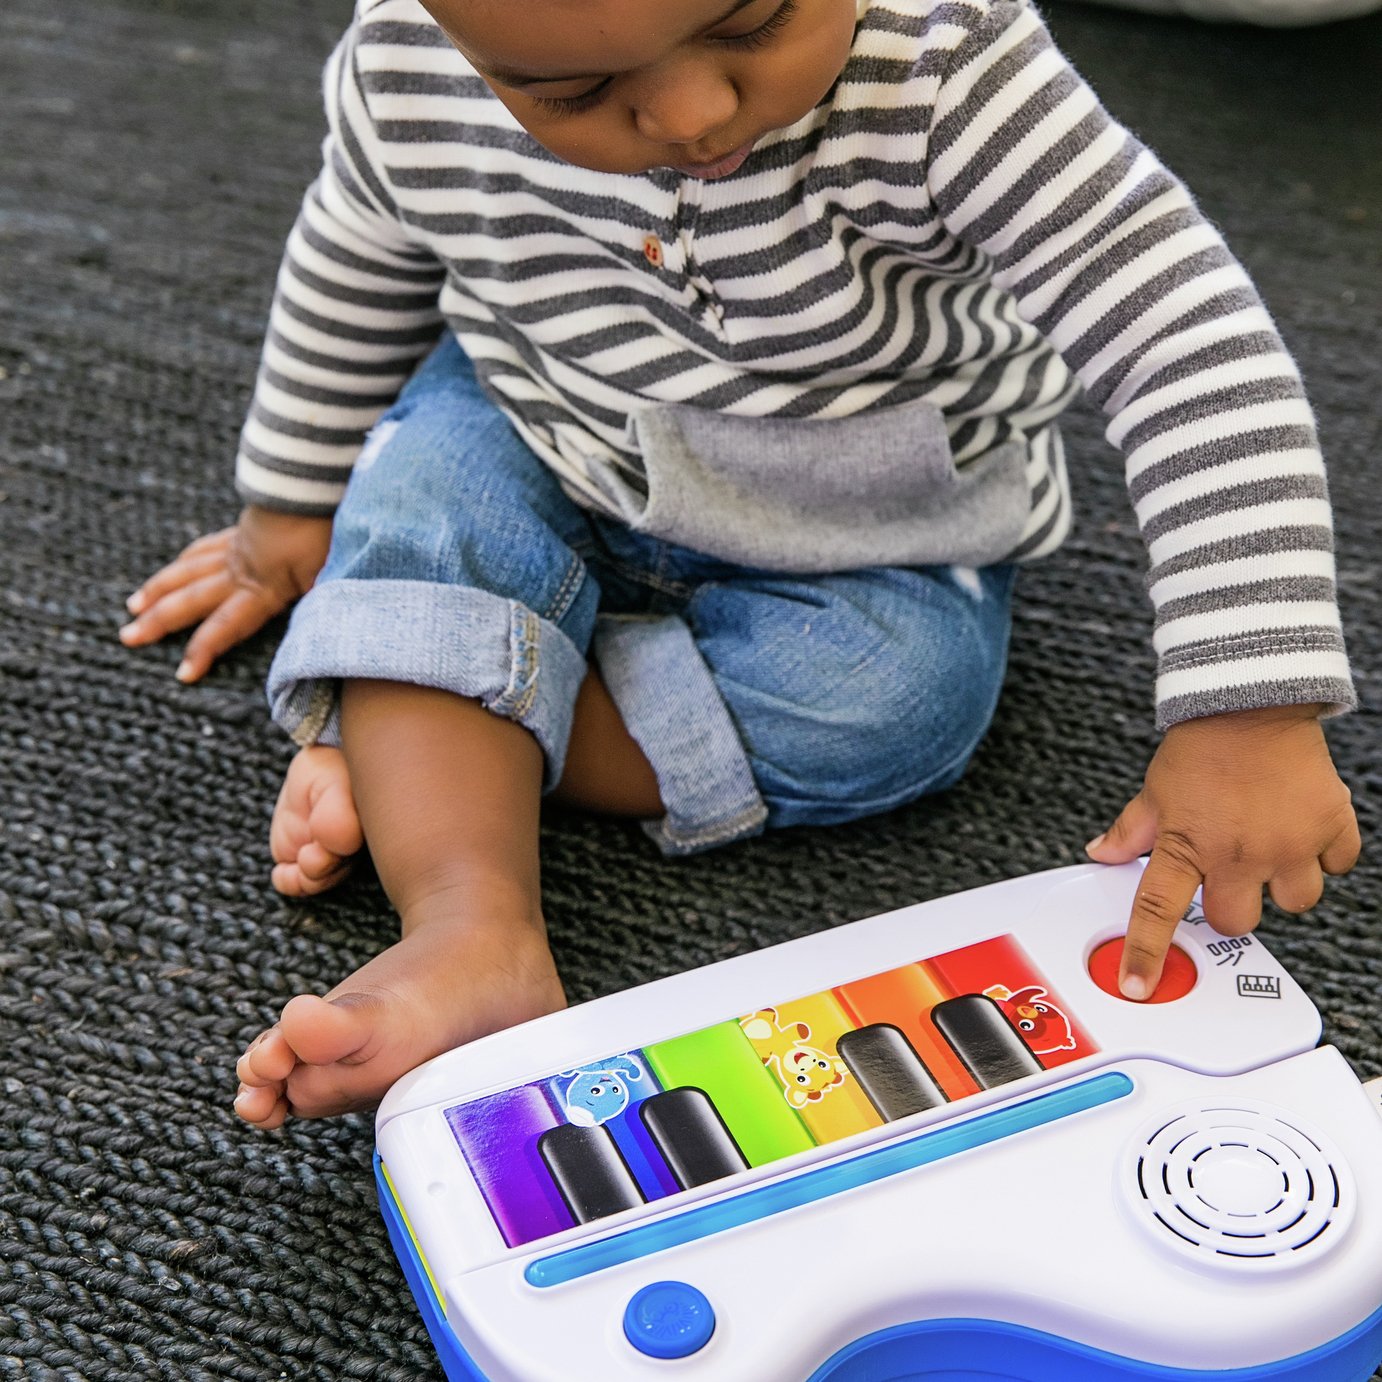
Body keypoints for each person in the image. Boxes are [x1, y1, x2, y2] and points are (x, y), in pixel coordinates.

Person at [119, 0, 1360, 1130]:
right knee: (423, 495)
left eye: (752, 19)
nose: (692, 114)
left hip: (870, 513)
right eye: (567, 93)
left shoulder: (951, 62)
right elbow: (359, 247)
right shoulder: (407, 61)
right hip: (546, 413)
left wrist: (1248, 705)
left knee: (891, 701)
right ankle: (468, 924)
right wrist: (286, 505)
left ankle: (431, 715)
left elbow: (1182, 336)